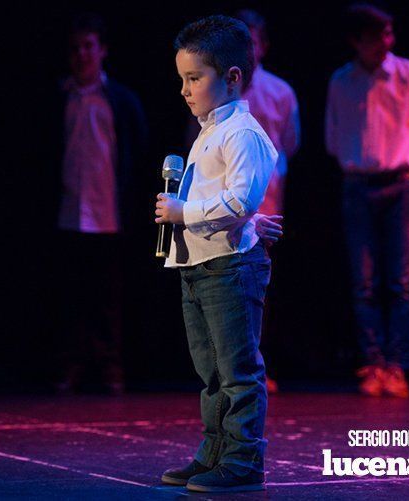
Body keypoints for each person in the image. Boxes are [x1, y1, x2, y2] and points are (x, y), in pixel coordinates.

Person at [155, 15, 277, 493]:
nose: (185, 90)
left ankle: (244, 460)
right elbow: (234, 201)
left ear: (231, 78)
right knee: (210, 373)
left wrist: (185, 211)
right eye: (181, 79)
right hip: (199, 266)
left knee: (238, 371)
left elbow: (241, 199)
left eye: (194, 78)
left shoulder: (241, 132)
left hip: (228, 268)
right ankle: (214, 452)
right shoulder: (208, 130)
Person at [325, 4, 409, 397]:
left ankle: (397, 365)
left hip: (403, 186)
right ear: (356, 41)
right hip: (358, 186)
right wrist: (358, 164)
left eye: (389, 34)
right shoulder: (342, 81)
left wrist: (406, 164)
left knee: (402, 281)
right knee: (364, 282)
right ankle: (373, 363)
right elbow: (333, 136)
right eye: (376, 37)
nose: (385, 44)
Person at [51, 14, 148, 395]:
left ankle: (111, 366)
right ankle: (71, 365)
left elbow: (137, 152)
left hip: (108, 213)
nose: (82, 55)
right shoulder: (62, 99)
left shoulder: (120, 101)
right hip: (70, 212)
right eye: (76, 48)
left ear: (103, 51)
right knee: (70, 298)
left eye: (89, 46)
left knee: (108, 299)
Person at [234, 8, 301, 394]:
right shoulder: (216, 90)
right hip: (224, 206)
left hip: (266, 204)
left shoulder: (280, 92)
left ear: (264, 45)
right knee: (228, 283)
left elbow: (289, 145)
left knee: (261, 285)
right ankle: (232, 366)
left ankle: (259, 365)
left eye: (253, 41)